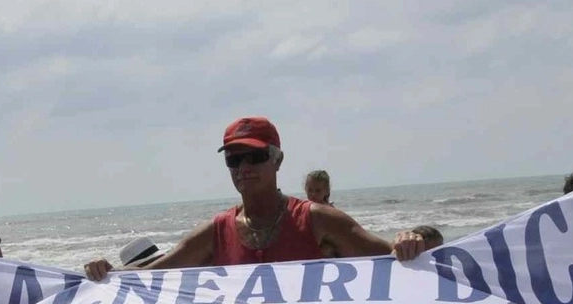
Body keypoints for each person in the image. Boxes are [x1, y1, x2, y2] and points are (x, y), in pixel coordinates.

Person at [85, 116, 423, 279]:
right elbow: (155, 274)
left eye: (255, 157)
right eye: (234, 159)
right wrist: (108, 274)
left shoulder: (318, 220)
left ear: (277, 160)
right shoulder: (216, 231)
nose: (244, 167)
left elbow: (396, 263)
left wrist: (410, 241)